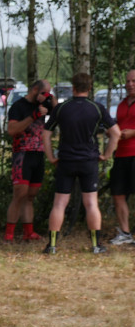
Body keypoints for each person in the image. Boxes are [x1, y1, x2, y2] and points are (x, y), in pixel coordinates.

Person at [42, 72, 120, 254]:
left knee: (59, 203)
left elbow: (45, 133)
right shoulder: (97, 108)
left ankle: (52, 246)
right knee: (91, 203)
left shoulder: (61, 108)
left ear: (73, 88)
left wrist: (51, 157)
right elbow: (116, 133)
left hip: (66, 160)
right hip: (88, 160)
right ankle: (96, 245)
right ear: (90, 88)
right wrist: (106, 155)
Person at [4, 80, 53, 242]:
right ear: (35, 90)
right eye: (44, 92)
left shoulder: (44, 105)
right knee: (20, 194)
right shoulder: (19, 106)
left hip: (38, 154)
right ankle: (9, 235)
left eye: (48, 93)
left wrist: (51, 100)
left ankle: (28, 232)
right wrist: (33, 116)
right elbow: (12, 130)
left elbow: (59, 114)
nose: (45, 96)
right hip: (22, 153)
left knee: (31, 196)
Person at [108, 69, 135, 244]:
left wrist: (133, 132)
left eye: (134, 81)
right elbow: (117, 125)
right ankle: (125, 233)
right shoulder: (121, 104)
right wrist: (113, 131)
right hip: (121, 154)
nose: (130, 84)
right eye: (128, 81)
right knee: (118, 194)